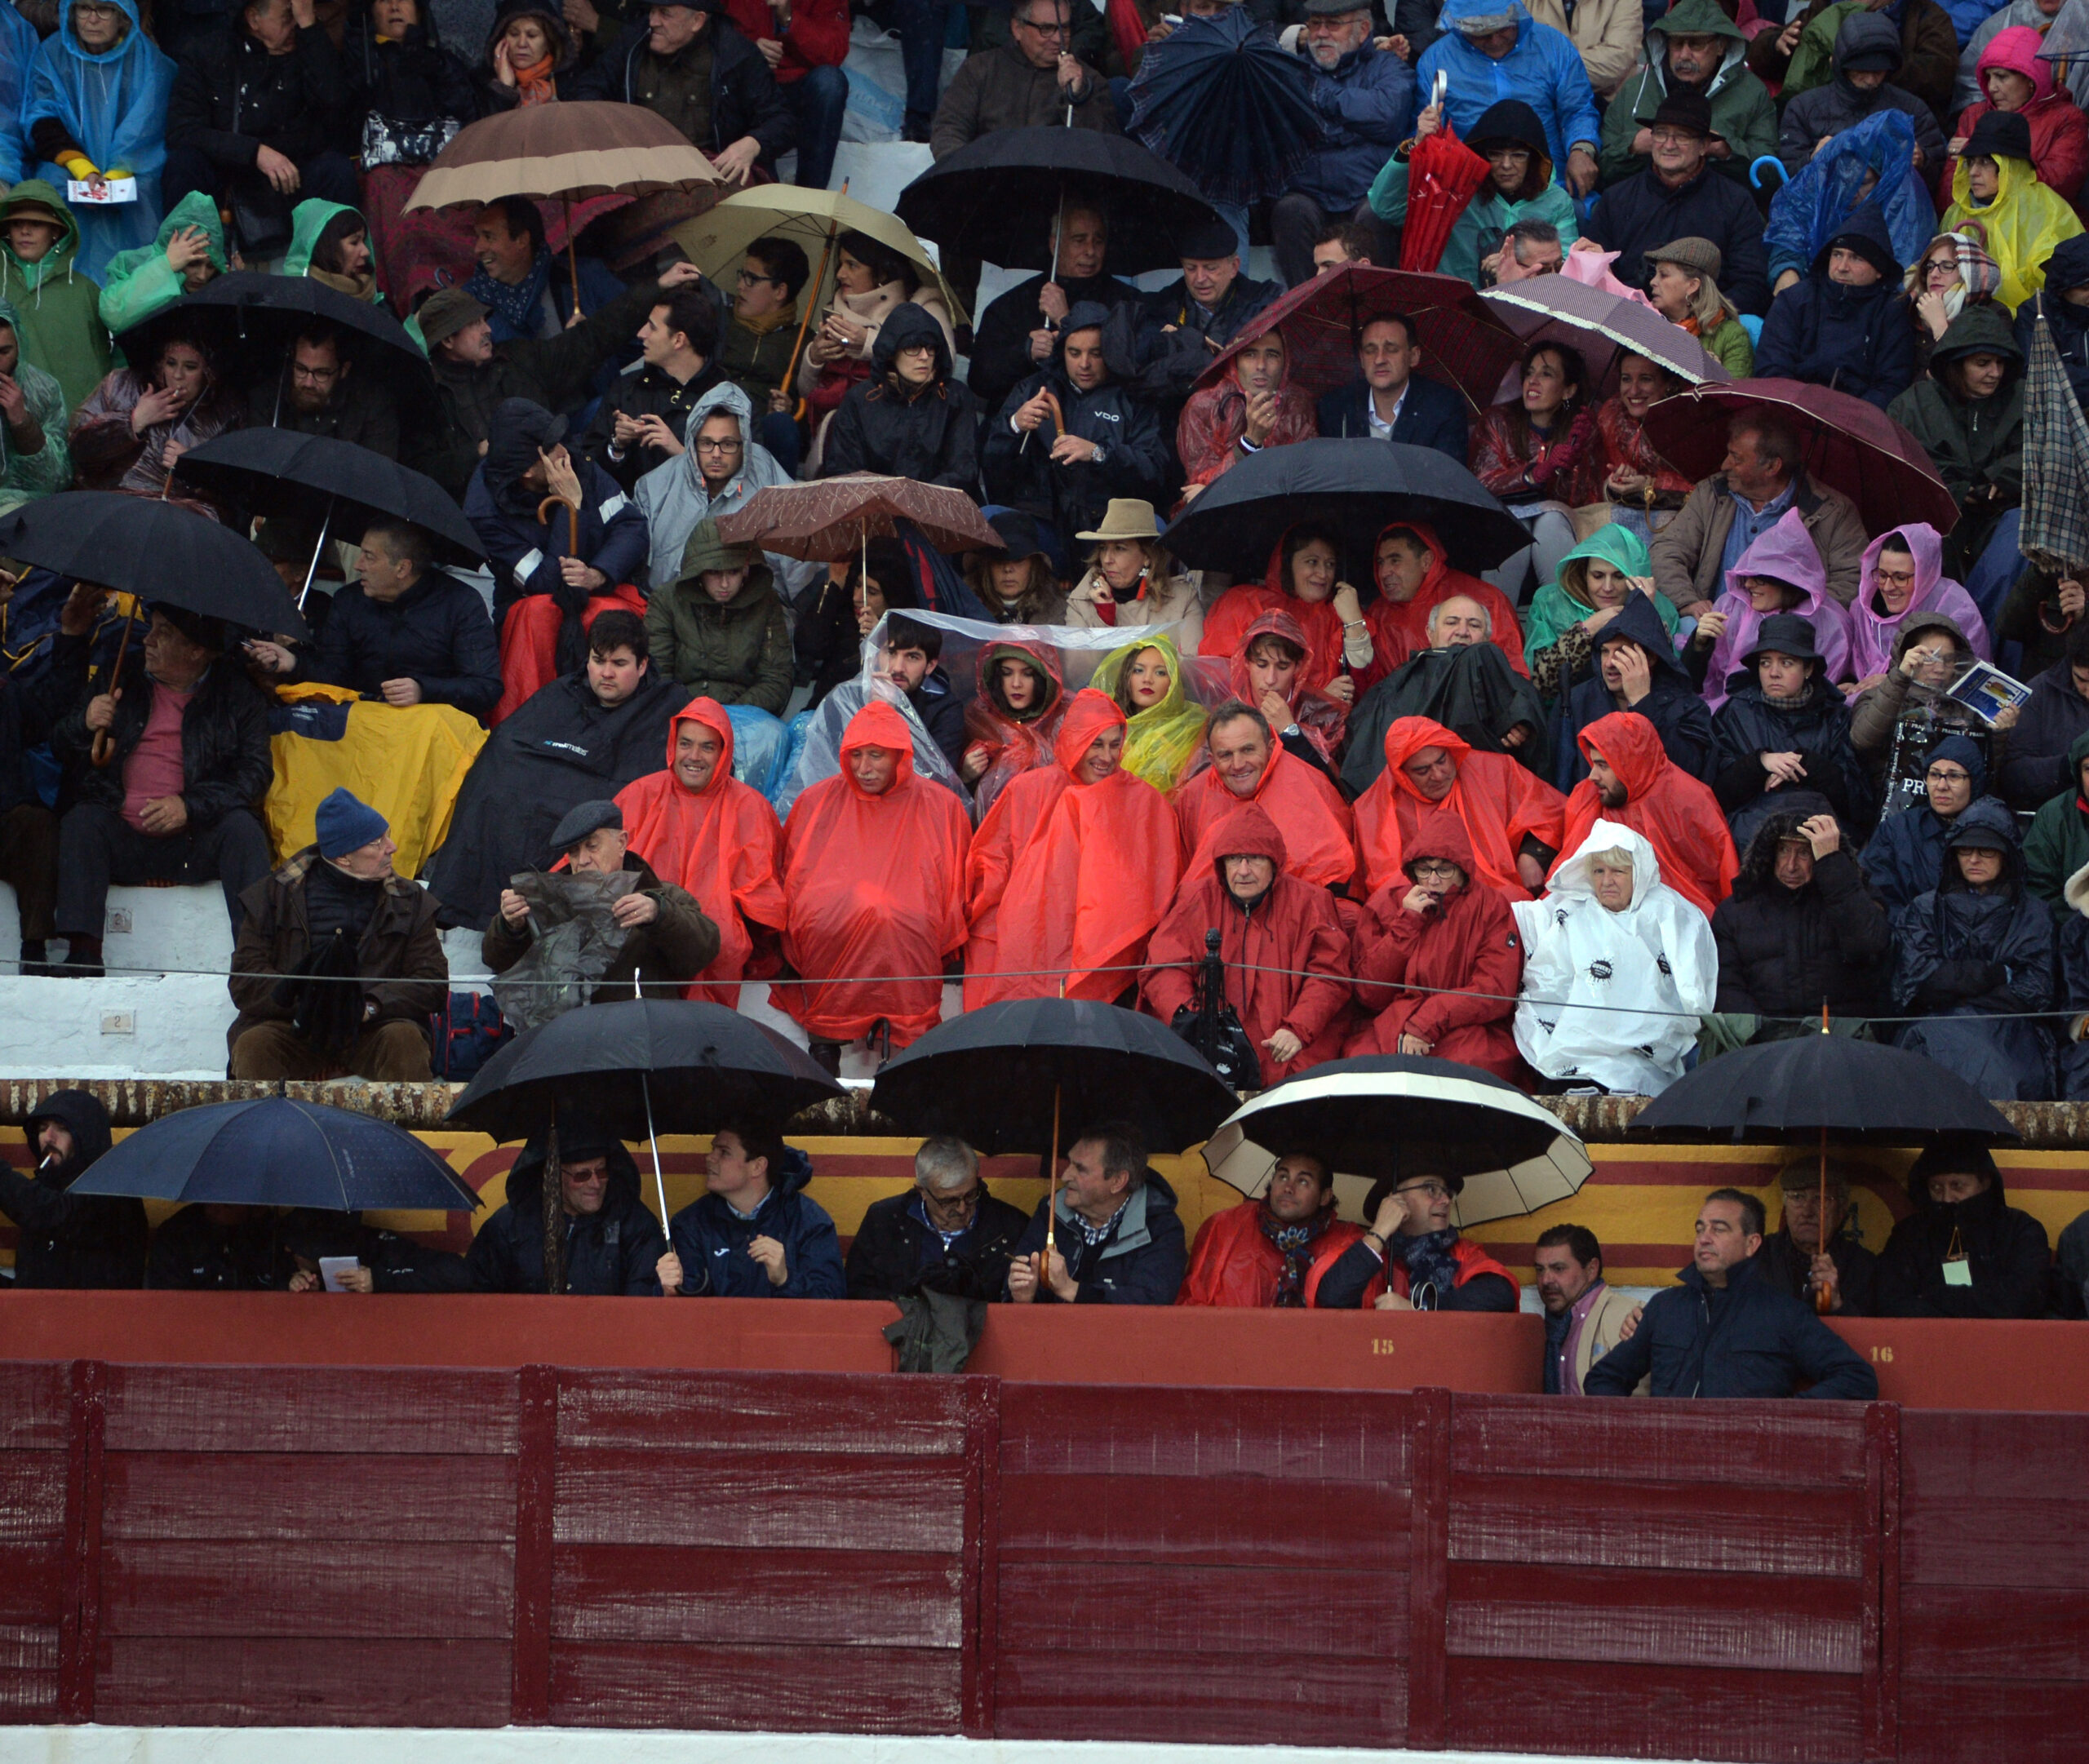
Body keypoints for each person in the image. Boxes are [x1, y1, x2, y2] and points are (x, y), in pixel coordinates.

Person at [426, 609, 691, 929]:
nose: (606, 673)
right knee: (492, 791)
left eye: (619, 664)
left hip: (599, 812)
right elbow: (508, 746)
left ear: (643, 665)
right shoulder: (564, 692)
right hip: (535, 800)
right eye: (598, 660)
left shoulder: (667, 704)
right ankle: (484, 914)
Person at [51, 606, 272, 976]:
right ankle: (83, 955)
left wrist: (190, 806)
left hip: (193, 840)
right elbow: (59, 747)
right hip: (120, 837)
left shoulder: (237, 695)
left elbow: (255, 774)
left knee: (244, 831)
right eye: (151, 629)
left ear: (197, 650)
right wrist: (83, 722)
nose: (147, 640)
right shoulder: (120, 675)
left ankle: (258, 958)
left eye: (163, 633)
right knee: (81, 821)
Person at [777, 699, 972, 1067]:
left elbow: (951, 882)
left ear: (900, 755)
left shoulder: (940, 805)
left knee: (904, 925)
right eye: (856, 755)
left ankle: (901, 1042)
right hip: (833, 923)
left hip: (910, 922)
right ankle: (825, 1040)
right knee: (821, 922)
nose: (864, 769)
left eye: (876, 756)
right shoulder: (816, 801)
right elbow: (795, 875)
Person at [965, 689, 1182, 1009]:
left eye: (1113, 744)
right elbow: (991, 863)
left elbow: (1159, 879)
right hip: (1033, 945)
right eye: (1096, 743)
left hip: (1108, 958)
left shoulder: (1143, 800)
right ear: (1074, 740)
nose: (1106, 757)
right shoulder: (1029, 789)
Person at [409, 266, 703, 503]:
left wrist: (655, 288)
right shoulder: (426, 397)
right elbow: (423, 470)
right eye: (474, 324)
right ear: (448, 340)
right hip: (483, 515)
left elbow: (594, 336)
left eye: (484, 320)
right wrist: (479, 452)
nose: (487, 329)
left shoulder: (520, 360)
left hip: (554, 497)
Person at [225, 788, 446, 1080]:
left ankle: (406, 1128)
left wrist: (369, 1005)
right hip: (293, 1026)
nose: (391, 847)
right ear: (343, 857)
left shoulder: (411, 900)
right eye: (377, 842)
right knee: (254, 1046)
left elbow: (432, 981)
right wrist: (305, 1003)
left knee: (404, 1040)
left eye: (386, 835)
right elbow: (245, 980)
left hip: (373, 1027)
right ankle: (267, 1127)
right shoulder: (273, 896)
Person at [1582, 1189, 1880, 1398]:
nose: (1704, 1238)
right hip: (1669, 1467)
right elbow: (1603, 1378)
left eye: (1719, 1229)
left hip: (1750, 1470)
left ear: (1751, 1244)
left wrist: (1787, 1417)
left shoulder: (1783, 1314)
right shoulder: (1665, 1307)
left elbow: (1856, 1378)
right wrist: (1636, 1430)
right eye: (1700, 1229)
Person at [1142, 797, 1351, 1082]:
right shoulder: (1195, 899)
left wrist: (1298, 1029)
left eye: (1254, 859)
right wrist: (1193, 1021)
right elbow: (1165, 968)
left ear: (1274, 862)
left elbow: (1330, 976)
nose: (1242, 871)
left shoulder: (1311, 902)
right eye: (1233, 859)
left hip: (1287, 1055)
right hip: (1206, 1055)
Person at [468, 399, 652, 720]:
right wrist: (571, 506)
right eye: (551, 448)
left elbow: (632, 526)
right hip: (532, 608)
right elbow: (544, 583)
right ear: (527, 469)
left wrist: (598, 573)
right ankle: (531, 726)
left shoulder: (577, 464)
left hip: (602, 590)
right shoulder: (485, 512)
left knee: (611, 618)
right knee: (539, 613)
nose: (564, 452)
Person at [1515, 821, 1716, 1096]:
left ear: (1639, 873)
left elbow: (1691, 991)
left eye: (1618, 871)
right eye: (1599, 871)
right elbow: (1548, 974)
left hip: (1646, 1053)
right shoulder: (1571, 911)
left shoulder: (1669, 912)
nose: (1607, 881)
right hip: (1577, 1052)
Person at [614, 698, 785, 1004]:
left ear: (724, 752)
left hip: (715, 931)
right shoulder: (639, 794)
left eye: (707, 747)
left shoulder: (752, 807)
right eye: (686, 744)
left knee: (725, 942)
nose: (694, 756)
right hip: (642, 921)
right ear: (672, 745)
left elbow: (764, 898)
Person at [246, 518, 502, 720]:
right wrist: (293, 662)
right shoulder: (349, 600)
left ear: (402, 568)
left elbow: (485, 687)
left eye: (369, 557)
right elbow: (334, 673)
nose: (358, 565)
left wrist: (423, 690)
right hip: (361, 722)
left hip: (433, 729)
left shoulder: (461, 603)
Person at [1894, 796, 2056, 1097]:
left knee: (2001, 1074)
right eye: (1965, 849)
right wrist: (1995, 975)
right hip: (1932, 1029)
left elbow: (2036, 990)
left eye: (1987, 851)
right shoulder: (1925, 908)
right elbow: (1919, 982)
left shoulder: (2033, 913)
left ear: (2006, 855)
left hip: (2010, 1037)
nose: (1974, 859)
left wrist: (1955, 988)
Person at [486, 796, 721, 1001]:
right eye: (574, 852)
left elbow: (702, 953)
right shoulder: (547, 901)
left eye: (592, 846)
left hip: (638, 1034)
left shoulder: (663, 895)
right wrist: (510, 927)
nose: (582, 860)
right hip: (571, 1035)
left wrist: (660, 914)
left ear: (621, 843)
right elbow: (497, 961)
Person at [985, 301, 1169, 553]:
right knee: (989, 517)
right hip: (1044, 522)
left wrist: (1099, 453)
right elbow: (992, 467)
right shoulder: (1033, 389)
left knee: (1157, 528)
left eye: (1096, 353)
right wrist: (1015, 425)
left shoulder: (1134, 397)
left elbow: (1154, 472)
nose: (1084, 364)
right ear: (1062, 352)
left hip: (1109, 527)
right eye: (1074, 353)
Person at [1705, 796, 1887, 1049]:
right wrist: (1765, 1037)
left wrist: (1833, 865)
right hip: (1759, 1046)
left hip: (1840, 1045)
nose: (1791, 866)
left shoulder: (1854, 894)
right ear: (1768, 851)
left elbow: (1869, 945)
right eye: (1783, 850)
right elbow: (1726, 987)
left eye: (1804, 852)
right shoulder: (1735, 911)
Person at [1346, 813, 1523, 1071]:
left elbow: (1494, 990)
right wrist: (1406, 923)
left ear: (1463, 870)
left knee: (1465, 1069)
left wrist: (1428, 1021)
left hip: (1466, 1026)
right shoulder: (1387, 903)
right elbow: (1370, 992)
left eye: (1444, 869)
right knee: (1361, 1065)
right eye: (1424, 869)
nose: (1433, 879)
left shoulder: (1492, 906)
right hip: (1393, 1025)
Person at [1649, 414, 1868, 621]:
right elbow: (1666, 552)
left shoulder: (1832, 511)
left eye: (1736, 458)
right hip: (1712, 627)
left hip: (1786, 645)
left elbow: (1852, 580)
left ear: (1772, 466)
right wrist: (1687, 602)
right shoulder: (1712, 494)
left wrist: (1792, 617)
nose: (1724, 465)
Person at [162, 0, 357, 228]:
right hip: (230, 174)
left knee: (337, 169)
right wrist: (254, 152)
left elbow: (338, 106)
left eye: (301, 15)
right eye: (288, 16)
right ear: (254, 19)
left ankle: (331, 262)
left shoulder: (310, 47)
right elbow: (183, 131)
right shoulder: (208, 53)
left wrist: (310, 27)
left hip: (293, 175)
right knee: (184, 165)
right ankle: (185, 259)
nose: (296, 23)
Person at [1579, 89, 1770, 317]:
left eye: (1682, 136)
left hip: (1707, 329)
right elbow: (1593, 273)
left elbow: (1751, 285)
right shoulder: (1617, 198)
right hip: (1626, 321)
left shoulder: (1736, 202)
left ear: (1704, 146)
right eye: (1660, 134)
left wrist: (1699, 318)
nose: (1669, 145)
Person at [21, 0, 175, 285]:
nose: (92, 19)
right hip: (72, 167)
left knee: (145, 193)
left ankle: (139, 293)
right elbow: (42, 118)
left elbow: (145, 128)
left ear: (123, 16)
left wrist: (113, 179)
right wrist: (84, 171)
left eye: (104, 9)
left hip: (133, 170)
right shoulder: (52, 53)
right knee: (47, 184)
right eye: (83, 8)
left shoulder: (147, 59)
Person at [571, 0, 793, 182]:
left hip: (711, 172)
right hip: (638, 169)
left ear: (697, 21)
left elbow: (781, 120)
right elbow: (589, 88)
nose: (653, 21)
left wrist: (752, 143)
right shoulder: (634, 41)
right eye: (652, 11)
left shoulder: (736, 54)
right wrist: (614, 134)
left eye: (665, 13)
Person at [1269, 0, 1409, 287]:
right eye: (1315, 24)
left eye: (1333, 25)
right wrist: (1354, 121)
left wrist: (1321, 100)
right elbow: (1285, 128)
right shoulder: (1291, 71)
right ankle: (1306, 311)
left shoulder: (1388, 66)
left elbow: (1386, 117)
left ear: (1363, 30)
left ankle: (1376, 309)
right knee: (1289, 210)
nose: (1321, 33)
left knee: (1378, 212)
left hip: (1365, 190)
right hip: (1309, 192)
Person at [1355, 716, 1567, 899]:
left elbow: (1551, 810)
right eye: (1422, 771)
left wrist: (1532, 855)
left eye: (1441, 761)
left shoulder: (1494, 770)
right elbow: (1384, 886)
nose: (1438, 775)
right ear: (1401, 775)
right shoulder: (1376, 809)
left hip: (1497, 895)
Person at [1887, 308, 2025, 588]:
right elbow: (1901, 465)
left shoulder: (2024, 397)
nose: (1995, 373)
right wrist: (1960, 490)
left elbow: (2046, 451)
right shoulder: (1913, 405)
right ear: (1957, 363)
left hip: (2002, 517)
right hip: (1936, 522)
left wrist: (2002, 475)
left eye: (2000, 362)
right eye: (1983, 363)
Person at [1346, 603, 1548, 791]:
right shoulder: (1395, 684)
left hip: (1486, 792)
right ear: (1430, 633)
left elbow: (1529, 720)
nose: (1462, 631)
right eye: (1451, 622)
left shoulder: (1498, 672)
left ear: (1487, 638)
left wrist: (1522, 721)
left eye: (1474, 625)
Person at [1374, 100, 1577, 287]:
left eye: (1518, 156)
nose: (1506, 165)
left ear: (1533, 160)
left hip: (1530, 306)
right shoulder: (1453, 191)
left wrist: (1518, 269)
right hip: (1459, 305)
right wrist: (1414, 146)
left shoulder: (1556, 201)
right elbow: (1387, 208)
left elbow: (1567, 266)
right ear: (1482, 155)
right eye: (1496, 155)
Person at [795, 232, 956, 467]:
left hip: (898, 440)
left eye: (852, 265)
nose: (840, 274)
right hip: (834, 441)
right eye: (840, 264)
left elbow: (945, 362)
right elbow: (807, 392)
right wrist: (815, 357)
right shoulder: (834, 310)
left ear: (881, 272)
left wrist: (870, 343)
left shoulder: (922, 307)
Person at [1710, 614, 1868, 852]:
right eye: (1765, 663)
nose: (1774, 673)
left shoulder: (1835, 718)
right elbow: (1714, 795)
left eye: (1786, 663)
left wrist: (1804, 765)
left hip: (1817, 834)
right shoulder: (1735, 713)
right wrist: (1759, 764)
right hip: (1748, 837)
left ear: (1808, 668)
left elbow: (1857, 803)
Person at [1559, 709, 1736, 918]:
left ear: (1629, 763)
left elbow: (1724, 879)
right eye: (1593, 763)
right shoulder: (1587, 797)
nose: (1592, 776)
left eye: (1602, 765)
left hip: (1681, 923)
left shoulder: (1690, 800)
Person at [1413, 0, 1601, 198]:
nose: (1495, 40)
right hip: (1470, 188)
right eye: (1482, 34)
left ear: (1516, 15)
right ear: (1462, 28)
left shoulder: (1553, 46)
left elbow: (1578, 109)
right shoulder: (1436, 59)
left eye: (1503, 29)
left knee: (1581, 213)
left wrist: (1581, 149)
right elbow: (1428, 134)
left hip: (1548, 181)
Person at [466, 1116, 668, 1295]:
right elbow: (476, 1300)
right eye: (582, 1175)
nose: (596, 1183)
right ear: (553, 1176)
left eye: (602, 1172)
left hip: (610, 1334)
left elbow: (643, 1308)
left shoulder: (635, 1225)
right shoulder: (508, 1227)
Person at [634, 379, 799, 598]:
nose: (716, 454)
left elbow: (799, 565)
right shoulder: (654, 487)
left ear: (745, 444)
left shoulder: (767, 475)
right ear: (693, 442)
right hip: (674, 610)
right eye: (706, 443)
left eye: (728, 444)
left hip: (750, 611)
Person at [967, 204, 1134, 414]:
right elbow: (980, 379)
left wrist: (1066, 321)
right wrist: (1025, 352)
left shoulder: (1126, 301)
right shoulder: (1012, 305)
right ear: (1055, 245)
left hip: (1102, 426)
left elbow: (1132, 368)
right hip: (1026, 432)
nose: (1091, 251)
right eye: (1079, 240)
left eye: (1098, 241)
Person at [1752, 198, 1917, 410]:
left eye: (1856, 258)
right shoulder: (1794, 300)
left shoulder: (1892, 311)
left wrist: (1846, 417)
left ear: (1879, 270)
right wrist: (1802, 409)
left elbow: (1892, 383)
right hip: (1792, 412)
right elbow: (1772, 367)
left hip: (1858, 423)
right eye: (1837, 255)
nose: (1842, 267)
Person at [1176, 701, 1356, 891]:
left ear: (1270, 749)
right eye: (1226, 755)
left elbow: (1336, 875)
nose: (1238, 764)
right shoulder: (1192, 798)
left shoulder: (1308, 782)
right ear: (1212, 759)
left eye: (1248, 750)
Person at [1469, 340, 1599, 601]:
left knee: (1550, 521)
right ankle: (1497, 628)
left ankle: (1565, 624)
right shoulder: (1498, 420)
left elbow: (1587, 505)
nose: (1533, 381)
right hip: (1501, 529)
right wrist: (1533, 474)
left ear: (1568, 390)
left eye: (1546, 374)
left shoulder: (1582, 430)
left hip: (1557, 532)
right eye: (1529, 372)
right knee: (1515, 523)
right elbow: (1481, 483)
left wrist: (1576, 463)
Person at [1597, 0, 1776, 188]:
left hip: (1718, 208)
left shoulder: (1752, 93)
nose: (1684, 54)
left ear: (1721, 45)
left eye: (1696, 44)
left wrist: (1727, 151)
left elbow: (1771, 176)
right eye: (1676, 43)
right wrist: (1632, 147)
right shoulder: (1635, 90)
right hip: (1641, 207)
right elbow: (1601, 169)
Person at [657, 1120, 844, 1298]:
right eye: (713, 1149)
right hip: (715, 1331)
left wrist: (786, 1279)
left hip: (783, 1331)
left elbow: (832, 1304)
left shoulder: (809, 1220)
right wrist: (670, 1291)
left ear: (757, 1166)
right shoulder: (690, 1223)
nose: (710, 1158)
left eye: (724, 1152)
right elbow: (689, 1307)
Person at [1005, 1122, 1187, 1305]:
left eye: (1080, 1169)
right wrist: (1023, 1297)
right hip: (1054, 1332)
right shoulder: (1051, 1211)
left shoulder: (1160, 1227)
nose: (1066, 1176)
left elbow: (1151, 1302)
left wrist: (1069, 1289)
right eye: (1069, 1164)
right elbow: (1023, 1306)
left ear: (1117, 1181)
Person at [1849, 611, 2010, 812]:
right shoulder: (1877, 696)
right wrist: (1899, 678)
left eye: (1949, 659)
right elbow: (1862, 740)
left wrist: (1999, 735)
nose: (1939, 668)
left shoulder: (1969, 706)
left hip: (1955, 813)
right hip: (1890, 810)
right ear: (1907, 655)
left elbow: (1985, 777)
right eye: (1929, 658)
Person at [1555, 591, 1715, 791]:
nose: (1610, 663)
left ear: (1651, 658)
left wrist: (1642, 703)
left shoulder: (1687, 705)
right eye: (1605, 651)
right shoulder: (1578, 700)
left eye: (1622, 652)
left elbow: (1687, 772)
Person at [1875, 1138, 2053, 1318]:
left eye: (1957, 1186)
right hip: (1927, 1342)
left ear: (1985, 1182)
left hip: (2006, 1342)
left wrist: (1936, 1297)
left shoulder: (2020, 1230)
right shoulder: (1909, 1235)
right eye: (1936, 1188)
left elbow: (2023, 1299)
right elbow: (1890, 1301)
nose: (1946, 1198)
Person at [1127, 219, 1281, 425]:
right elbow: (1143, 377)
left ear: (1234, 267)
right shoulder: (1163, 304)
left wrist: (1184, 342)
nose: (1200, 278)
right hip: (1174, 420)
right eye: (1191, 268)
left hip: (1242, 418)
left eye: (1210, 268)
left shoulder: (1263, 303)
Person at [579, 279, 727, 490]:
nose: (641, 334)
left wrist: (680, 453)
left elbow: (741, 484)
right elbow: (586, 469)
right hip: (633, 517)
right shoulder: (626, 389)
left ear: (678, 340)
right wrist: (616, 446)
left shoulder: (729, 400)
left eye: (652, 328)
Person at [845, 1135, 1031, 1303]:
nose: (962, 1208)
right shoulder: (884, 1221)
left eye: (970, 1195)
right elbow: (857, 1291)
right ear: (922, 1192)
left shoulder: (1011, 1227)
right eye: (949, 1201)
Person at [818, 304, 979, 490]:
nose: (925, 356)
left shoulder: (955, 397)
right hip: (875, 508)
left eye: (931, 348)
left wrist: (916, 498)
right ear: (891, 353)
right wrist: (888, 500)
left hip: (941, 508)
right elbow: (844, 469)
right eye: (913, 348)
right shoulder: (861, 399)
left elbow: (963, 469)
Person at [1178, 1148, 1365, 1307]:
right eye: (1282, 1177)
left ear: (1325, 1197)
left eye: (1303, 1181)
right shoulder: (1225, 1227)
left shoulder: (1346, 1240)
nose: (1288, 1188)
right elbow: (1193, 1302)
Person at [929, 0, 1117, 160]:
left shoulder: (1089, 80)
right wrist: (970, 171)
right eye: (1046, 29)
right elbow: (949, 130)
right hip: (985, 185)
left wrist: (1078, 100)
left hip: (1055, 191)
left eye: (1065, 28)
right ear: (1017, 29)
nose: (1058, 38)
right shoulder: (979, 69)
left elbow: (1101, 151)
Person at [69, 331, 242, 503]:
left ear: (207, 371)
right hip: (110, 504)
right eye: (171, 363)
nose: (178, 375)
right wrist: (134, 422)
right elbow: (80, 452)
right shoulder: (122, 386)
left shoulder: (225, 413)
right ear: (161, 363)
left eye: (190, 367)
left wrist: (195, 469)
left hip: (176, 516)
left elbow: (234, 492)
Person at [1201, 526, 1370, 702]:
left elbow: (1365, 689)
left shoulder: (1340, 612)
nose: (1323, 574)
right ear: (1287, 564)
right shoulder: (1244, 603)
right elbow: (1220, 687)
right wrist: (1318, 701)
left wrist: (1355, 622)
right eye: (1312, 562)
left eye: (1330, 564)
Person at [1777, 11, 1945, 184]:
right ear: (1840, 66)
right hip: (1821, 208)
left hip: (1891, 209)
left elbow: (1941, 176)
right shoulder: (1803, 108)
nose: (1871, 80)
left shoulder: (1912, 109)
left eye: (1879, 72)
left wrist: (1922, 161)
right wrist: (1812, 159)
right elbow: (1782, 177)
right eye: (1861, 71)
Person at [644, 522, 792, 718]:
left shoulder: (766, 602)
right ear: (698, 572)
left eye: (734, 572)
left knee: (771, 739)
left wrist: (727, 716)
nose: (724, 583)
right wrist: (692, 717)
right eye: (714, 572)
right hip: (678, 713)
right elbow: (656, 673)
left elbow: (776, 678)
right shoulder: (666, 600)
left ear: (746, 570)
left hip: (745, 715)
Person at [1315, 1168, 1519, 1311]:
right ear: (1394, 1198)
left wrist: (1421, 1308)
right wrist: (1379, 1232)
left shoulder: (1462, 1251)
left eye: (1447, 1193)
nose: (1446, 1201)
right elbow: (1331, 1296)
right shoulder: (1365, 1248)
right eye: (1431, 1189)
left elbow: (1500, 1294)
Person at [1940, 111, 2086, 310]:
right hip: (1970, 320)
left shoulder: (2047, 209)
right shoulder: (1957, 213)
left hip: (2036, 321)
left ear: (2010, 166)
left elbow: (2070, 279)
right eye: (1971, 162)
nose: (1973, 172)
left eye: (1985, 161)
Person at [0, 1089, 145, 1288]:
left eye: (62, 1128)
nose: (48, 1137)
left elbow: (52, 1213)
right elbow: (30, 1287)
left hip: (98, 1314)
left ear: (86, 1137)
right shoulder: (43, 1189)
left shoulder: (112, 1193)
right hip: (41, 1315)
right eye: (42, 1128)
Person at [1524, 526, 1679, 706]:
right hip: (1571, 715)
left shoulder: (1661, 608)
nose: (1607, 587)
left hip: (1638, 715)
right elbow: (1540, 685)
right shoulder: (1550, 603)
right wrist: (1586, 631)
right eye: (1598, 576)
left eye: (1619, 576)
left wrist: (1645, 616)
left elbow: (1671, 683)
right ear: (1584, 574)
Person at [1944, 26, 2087, 215]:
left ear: (2031, 79)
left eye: (2002, 77)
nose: (1992, 87)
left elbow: (2058, 185)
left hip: (2041, 227)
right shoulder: (1973, 116)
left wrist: (1979, 151)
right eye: (1988, 77)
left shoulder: (2068, 120)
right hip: (1976, 224)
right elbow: (1949, 190)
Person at [1360, 521, 1526, 684]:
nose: (1384, 572)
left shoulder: (1485, 599)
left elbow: (1513, 679)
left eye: (1395, 560)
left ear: (1426, 561)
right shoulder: (1377, 613)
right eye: (1380, 562)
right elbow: (1372, 688)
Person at [1747, 0, 1958, 122]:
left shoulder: (1926, 16)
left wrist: (1877, 64)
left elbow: (1939, 76)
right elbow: (1758, 57)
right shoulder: (1829, 7)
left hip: (1893, 121)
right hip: (1822, 120)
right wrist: (1778, 45)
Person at [0, 184, 107, 421]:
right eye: (17, 224)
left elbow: (101, 364)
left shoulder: (84, 291)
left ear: (57, 231)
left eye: (36, 224)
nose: (24, 231)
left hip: (68, 428)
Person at [721, 0, 849, 190]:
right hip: (745, 87)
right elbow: (705, 32)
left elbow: (834, 53)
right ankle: (765, 190)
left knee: (830, 83)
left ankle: (810, 197)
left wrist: (790, 19)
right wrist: (748, 52)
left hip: (797, 86)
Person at [1175, 325, 1314, 494]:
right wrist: (1249, 442)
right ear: (1235, 361)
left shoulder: (1298, 403)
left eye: (1272, 355)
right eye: (1250, 354)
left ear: (1285, 361)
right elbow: (1200, 488)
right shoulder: (1203, 406)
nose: (1261, 365)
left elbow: (1306, 474)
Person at [1846, 525, 1989, 688]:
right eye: (1882, 575)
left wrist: (1897, 684)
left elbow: (1969, 682)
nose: (1887, 587)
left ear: (1925, 573)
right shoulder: (1862, 609)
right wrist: (1849, 687)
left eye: (1900, 577)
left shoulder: (1957, 609)